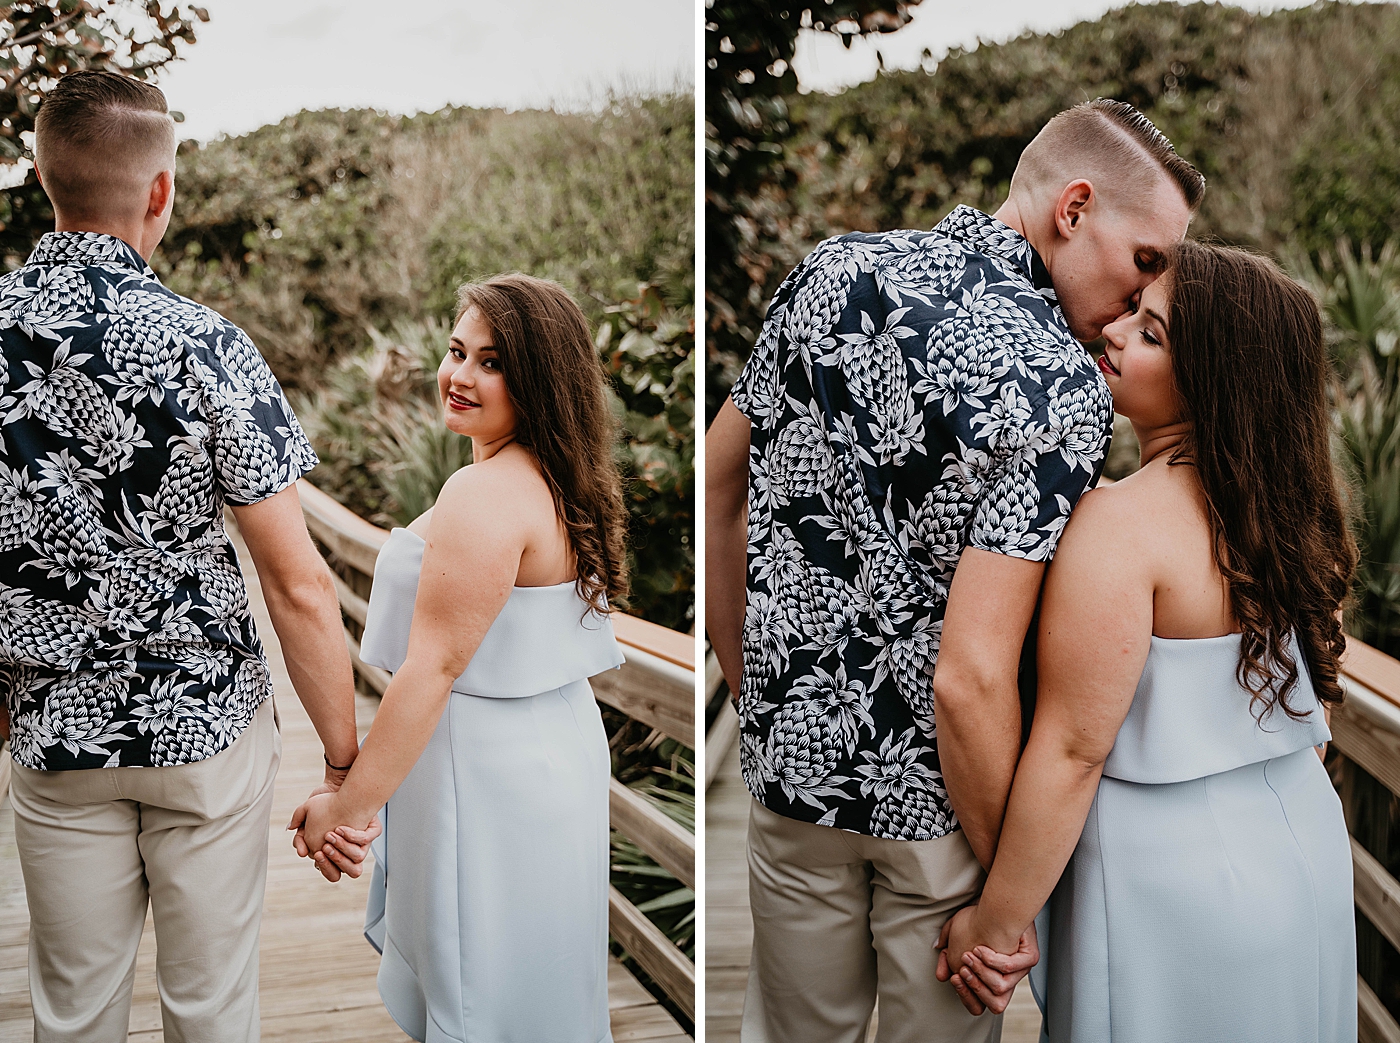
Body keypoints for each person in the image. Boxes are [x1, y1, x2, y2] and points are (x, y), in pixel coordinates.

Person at [705, 98, 1205, 1042]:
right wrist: (1003, 894)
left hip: (786, 777)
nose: (1140, 302)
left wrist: (749, 680)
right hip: (942, 808)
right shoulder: (1062, 387)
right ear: (1076, 206)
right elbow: (970, 676)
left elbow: (715, 484)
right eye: (1145, 261)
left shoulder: (831, 269)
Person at [0, 70, 369, 1042]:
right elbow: (297, 580)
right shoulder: (206, 343)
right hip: (205, 727)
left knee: (71, 1010)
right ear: (160, 190)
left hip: (53, 728)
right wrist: (340, 760)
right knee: (211, 1007)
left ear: (44, 177)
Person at [939, 242, 1357, 1041]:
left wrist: (995, 922)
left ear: (1213, 381)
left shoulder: (1120, 527)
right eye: (1133, 311)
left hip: (1172, 886)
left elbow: (1071, 751)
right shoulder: (1292, 522)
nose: (1117, 331)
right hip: (1303, 851)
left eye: (1153, 332)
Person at [287, 273, 630, 1043]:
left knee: (481, 995)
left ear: (538, 379)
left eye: (492, 361)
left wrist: (345, 807)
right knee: (529, 987)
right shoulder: (556, 477)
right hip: (552, 751)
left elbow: (432, 667)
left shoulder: (484, 494)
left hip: (484, 772)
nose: (460, 376)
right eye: (456, 351)